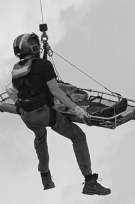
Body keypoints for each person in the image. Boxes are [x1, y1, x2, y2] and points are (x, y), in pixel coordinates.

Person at [10, 32, 111, 196]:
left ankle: (45, 177)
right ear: (34, 47)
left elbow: (34, 77)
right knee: (78, 136)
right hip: (43, 114)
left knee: (40, 136)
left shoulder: (16, 70)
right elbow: (56, 92)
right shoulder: (43, 66)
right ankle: (90, 181)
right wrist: (76, 109)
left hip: (26, 115)